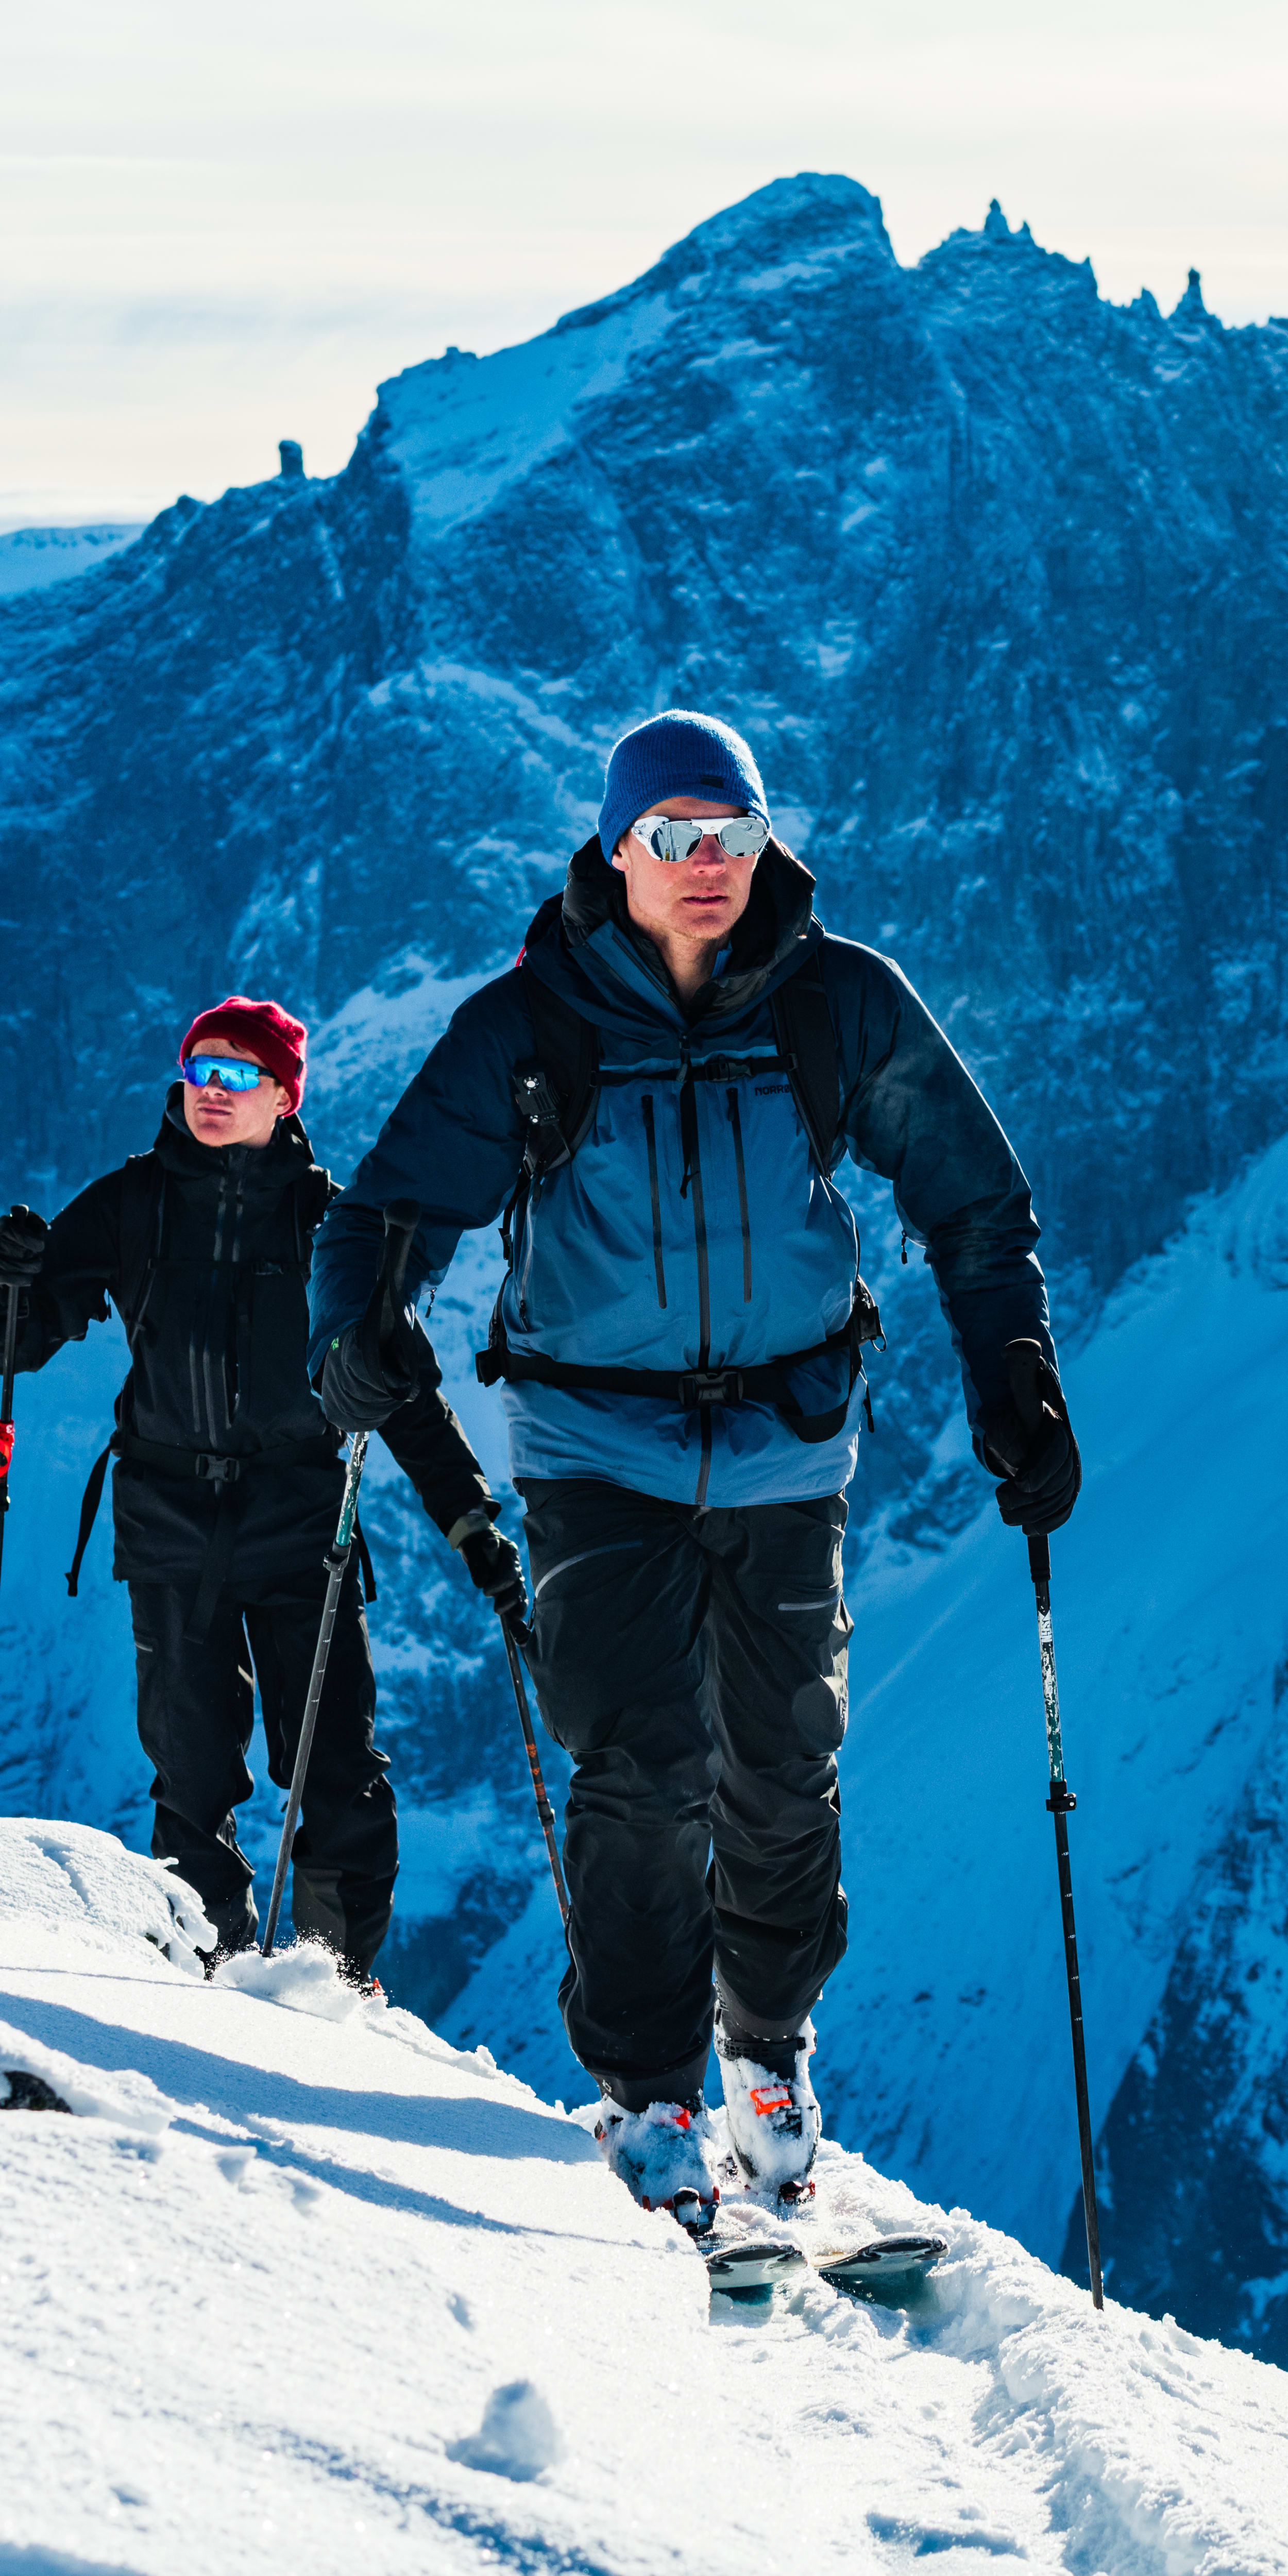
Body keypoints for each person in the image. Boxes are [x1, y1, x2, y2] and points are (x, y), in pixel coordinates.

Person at [307, 710, 1080, 2214]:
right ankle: (649, 2096)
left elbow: (975, 1205)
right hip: (597, 1451)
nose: (706, 862)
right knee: (641, 1769)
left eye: (731, 831)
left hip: (790, 1447)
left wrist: (1019, 1378)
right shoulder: (531, 1024)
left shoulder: (835, 1002)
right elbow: (383, 1218)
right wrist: (358, 1331)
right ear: (615, 850)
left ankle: (770, 2048)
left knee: (786, 1765)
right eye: (671, 835)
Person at [0, 993, 524, 1982]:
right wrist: (11, 1280)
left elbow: (398, 1390)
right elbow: (19, 1343)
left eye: (239, 1074)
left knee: (336, 1779)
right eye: (200, 1070)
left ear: (285, 1097)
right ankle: (208, 1989)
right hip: (167, 1525)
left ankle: (334, 1997)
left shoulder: (333, 1223)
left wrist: (472, 1524)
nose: (212, 1091)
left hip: (298, 1524)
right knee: (191, 1781)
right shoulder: (131, 1203)